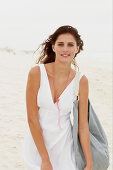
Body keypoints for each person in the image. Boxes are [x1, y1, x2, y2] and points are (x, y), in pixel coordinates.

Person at [23, 25, 93, 170]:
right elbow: (32, 118)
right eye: (60, 44)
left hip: (65, 148)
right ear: (53, 47)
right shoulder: (36, 73)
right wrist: (45, 159)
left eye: (70, 45)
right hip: (37, 146)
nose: (65, 49)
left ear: (77, 48)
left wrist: (89, 163)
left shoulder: (81, 81)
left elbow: (83, 126)